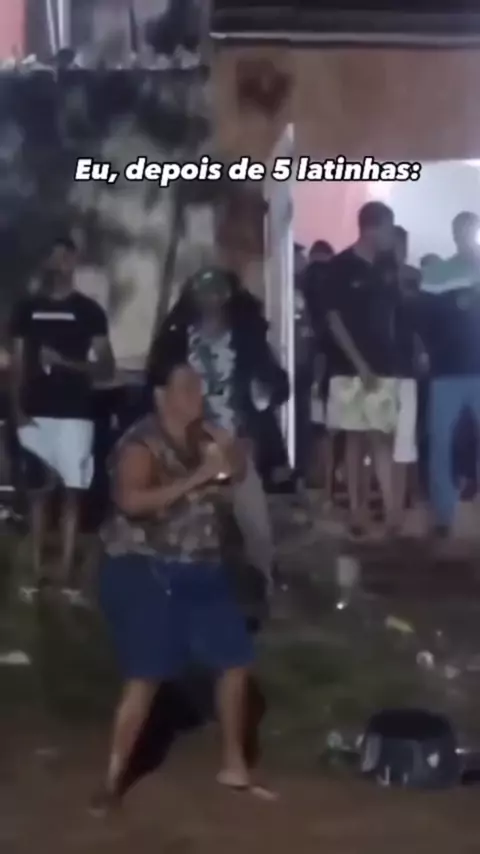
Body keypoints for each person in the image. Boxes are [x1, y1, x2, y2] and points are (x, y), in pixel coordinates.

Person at [93, 355, 267, 814]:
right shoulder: (141, 443)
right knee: (146, 676)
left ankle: (234, 767)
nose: (196, 396)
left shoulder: (206, 435)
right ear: (160, 396)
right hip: (145, 567)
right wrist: (198, 477)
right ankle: (111, 781)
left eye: (198, 387)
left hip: (202, 567)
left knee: (235, 661)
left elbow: (237, 471)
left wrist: (233, 451)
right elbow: (131, 501)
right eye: (186, 388)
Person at [150, 266, 290, 586]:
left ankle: (263, 582)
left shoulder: (247, 339)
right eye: (204, 292)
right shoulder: (175, 339)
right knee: (185, 519)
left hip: (235, 443)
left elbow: (277, 386)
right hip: (188, 445)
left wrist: (258, 405)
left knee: (254, 518)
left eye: (217, 292)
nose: (210, 299)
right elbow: (157, 388)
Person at [10, 236, 115, 598]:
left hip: (75, 413)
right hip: (34, 413)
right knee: (38, 492)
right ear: (46, 263)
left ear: (74, 261)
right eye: (53, 259)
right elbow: (17, 364)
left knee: (72, 492)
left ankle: (66, 572)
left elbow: (105, 367)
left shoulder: (89, 311)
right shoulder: (27, 309)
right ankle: (37, 570)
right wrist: (17, 410)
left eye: (65, 258)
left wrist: (66, 363)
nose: (59, 265)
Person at [324, 202, 400, 537]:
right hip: (348, 368)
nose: (390, 236)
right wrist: (359, 364)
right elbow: (333, 319)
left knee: (382, 436)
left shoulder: (387, 266)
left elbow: (393, 313)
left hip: (384, 365)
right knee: (355, 438)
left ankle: (391, 509)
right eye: (387, 229)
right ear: (370, 229)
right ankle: (357, 510)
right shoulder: (340, 267)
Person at [420, 212, 480, 538]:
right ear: (454, 233)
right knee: (440, 441)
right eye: (461, 230)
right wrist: (426, 352)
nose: (466, 236)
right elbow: (423, 321)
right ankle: (444, 513)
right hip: (446, 371)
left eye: (471, 230)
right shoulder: (437, 274)